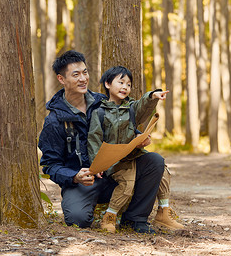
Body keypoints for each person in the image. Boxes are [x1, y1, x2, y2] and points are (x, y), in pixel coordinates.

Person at [39, 50, 165, 234]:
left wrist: (138, 138)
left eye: (85, 72)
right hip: (84, 181)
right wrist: (75, 176)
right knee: (78, 219)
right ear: (61, 79)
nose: (83, 78)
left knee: (154, 162)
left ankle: (135, 219)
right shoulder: (54, 121)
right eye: (76, 74)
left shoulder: (101, 102)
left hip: (114, 172)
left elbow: (120, 125)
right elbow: (50, 165)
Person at [87, 66, 184, 233]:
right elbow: (94, 140)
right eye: (121, 82)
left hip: (133, 157)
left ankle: (163, 213)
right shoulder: (99, 112)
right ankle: (109, 217)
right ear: (108, 84)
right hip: (114, 163)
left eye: (129, 84)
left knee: (159, 165)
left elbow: (143, 105)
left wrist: (153, 96)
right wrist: (97, 166)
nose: (125, 87)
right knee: (127, 184)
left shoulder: (131, 109)